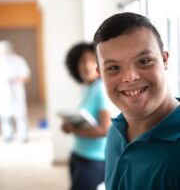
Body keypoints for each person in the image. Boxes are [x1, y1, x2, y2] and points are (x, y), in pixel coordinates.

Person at [93, 12, 180, 190]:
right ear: (100, 74)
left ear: (164, 60)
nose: (130, 77)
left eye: (144, 61)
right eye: (114, 68)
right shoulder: (116, 131)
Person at [62, 42, 114, 190]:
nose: (87, 66)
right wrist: (70, 125)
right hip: (78, 153)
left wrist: (73, 129)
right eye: (82, 61)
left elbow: (105, 130)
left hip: (95, 160)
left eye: (92, 61)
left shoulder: (101, 90)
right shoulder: (86, 88)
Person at [0, 40, 31, 142]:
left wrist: (14, 80)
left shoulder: (19, 60)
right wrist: (0, 83)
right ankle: (8, 135)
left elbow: (26, 77)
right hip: (3, 91)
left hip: (16, 90)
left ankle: (23, 135)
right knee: (5, 115)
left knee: (20, 114)